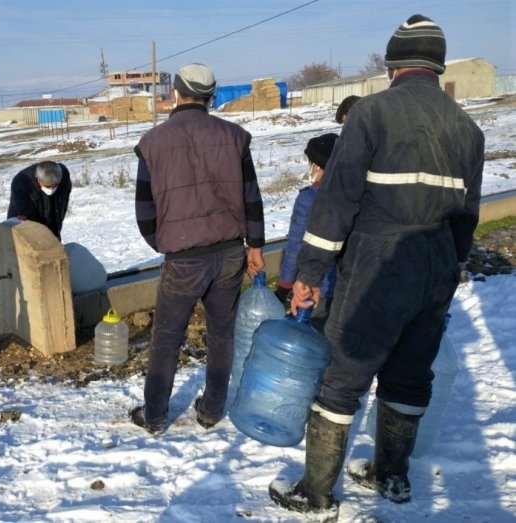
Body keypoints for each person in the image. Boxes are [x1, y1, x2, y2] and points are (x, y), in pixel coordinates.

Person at [269, 14, 484, 518]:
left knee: (344, 376)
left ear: (393, 65)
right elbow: (467, 219)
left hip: (378, 262)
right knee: (410, 375)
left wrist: (309, 272)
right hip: (435, 267)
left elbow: (336, 202)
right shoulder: (468, 130)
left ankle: (317, 494)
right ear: (436, 65)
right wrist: (447, 270)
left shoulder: (372, 113)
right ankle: (392, 477)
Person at [129, 63, 266, 435]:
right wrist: (255, 245)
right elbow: (252, 198)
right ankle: (211, 410)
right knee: (222, 333)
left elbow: (144, 210)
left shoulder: (153, 142)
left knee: (167, 337)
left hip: (183, 258)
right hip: (230, 255)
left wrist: (163, 241)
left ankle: (155, 415)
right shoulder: (234, 136)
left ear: (175, 93)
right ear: (210, 95)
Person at [275, 133, 339, 332]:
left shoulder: (308, 199)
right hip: (352, 288)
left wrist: (284, 285)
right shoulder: (358, 195)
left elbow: (296, 246)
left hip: (317, 287)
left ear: (316, 166)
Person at [7, 161, 72, 240]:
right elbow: (27, 215)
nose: (51, 189)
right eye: (47, 186)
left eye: (55, 186)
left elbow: (63, 200)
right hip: (24, 222)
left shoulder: (63, 175)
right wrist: (42, 236)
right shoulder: (21, 182)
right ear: (38, 179)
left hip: (52, 218)